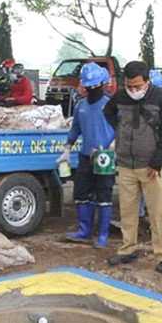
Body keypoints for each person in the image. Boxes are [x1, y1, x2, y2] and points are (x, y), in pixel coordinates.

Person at [104, 61, 162, 274]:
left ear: (147, 81)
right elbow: (108, 112)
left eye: (137, 86)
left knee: (157, 212)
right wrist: (121, 131)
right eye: (129, 86)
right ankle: (128, 249)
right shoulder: (120, 96)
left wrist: (157, 162)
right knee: (127, 210)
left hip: (151, 166)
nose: (133, 90)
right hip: (126, 163)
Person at [59, 62, 115, 247]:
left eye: (94, 86)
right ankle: (84, 231)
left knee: (103, 194)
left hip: (105, 156)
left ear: (102, 84)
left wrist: (113, 145)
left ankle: (103, 236)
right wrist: (67, 148)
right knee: (81, 193)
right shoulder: (81, 105)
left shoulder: (109, 105)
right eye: (88, 86)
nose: (91, 89)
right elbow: (75, 129)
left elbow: (122, 128)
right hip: (85, 156)